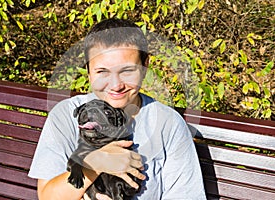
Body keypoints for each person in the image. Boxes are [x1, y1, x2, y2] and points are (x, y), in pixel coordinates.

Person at [28, 18, 206, 200]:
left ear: (145, 67)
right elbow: (47, 196)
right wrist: (95, 164)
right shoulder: (67, 115)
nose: (115, 85)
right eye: (102, 72)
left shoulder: (167, 124)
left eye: (127, 71)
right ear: (88, 71)